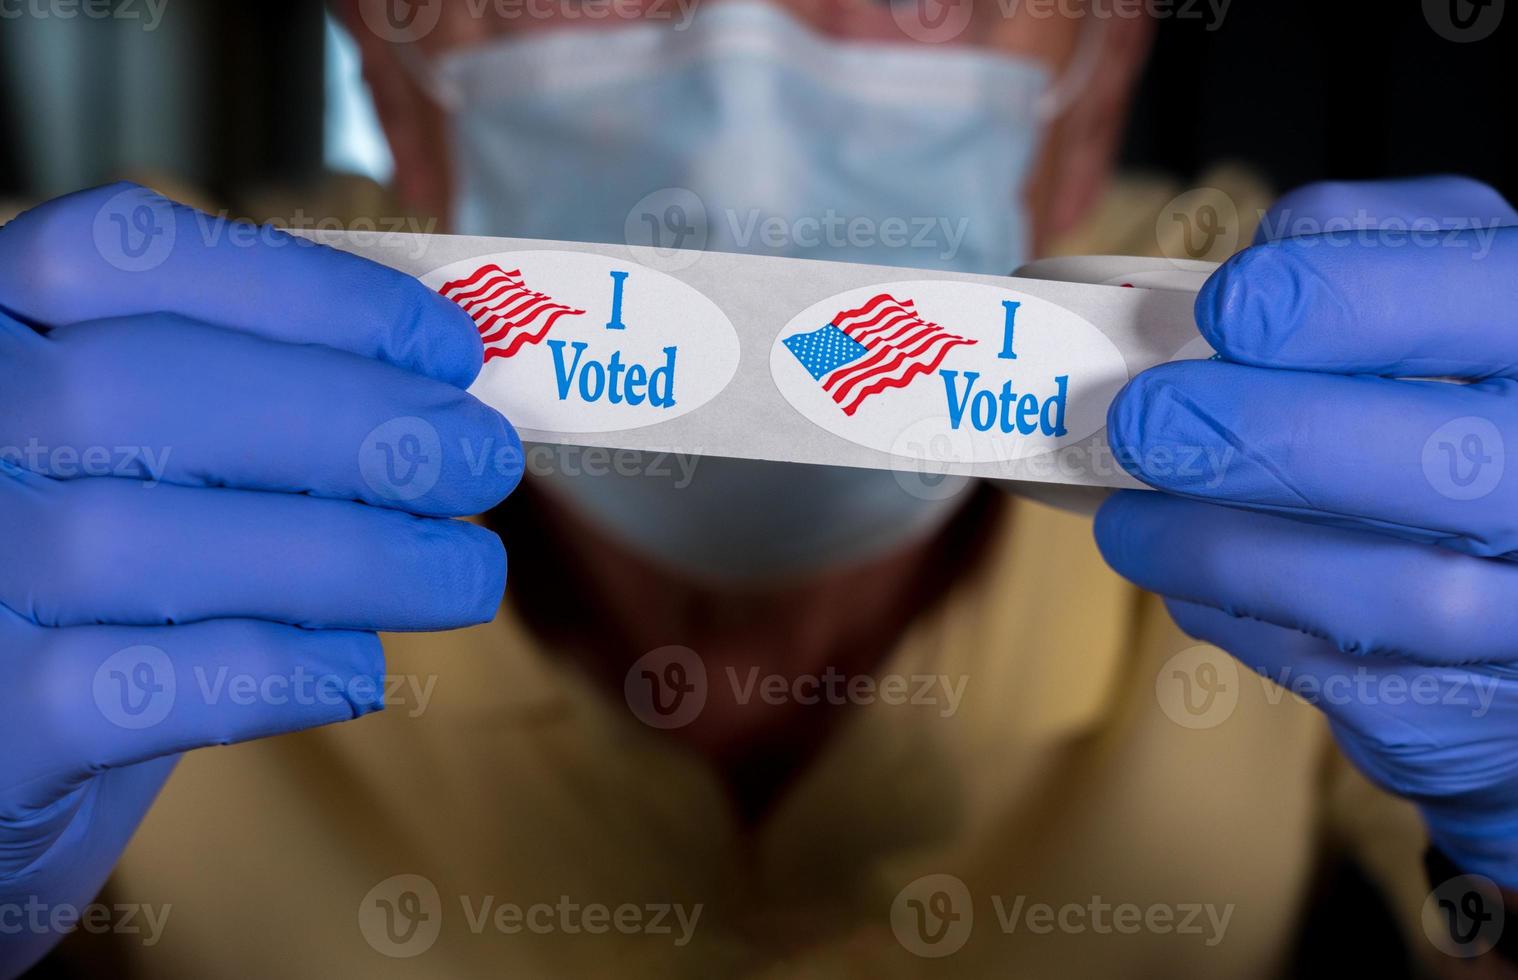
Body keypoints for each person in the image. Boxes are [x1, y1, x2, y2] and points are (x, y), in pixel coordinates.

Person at [1, 0, 1516, 975]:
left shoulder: (1321, 377)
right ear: (399, 75)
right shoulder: (86, 378)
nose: (740, 64)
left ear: (1093, 71)